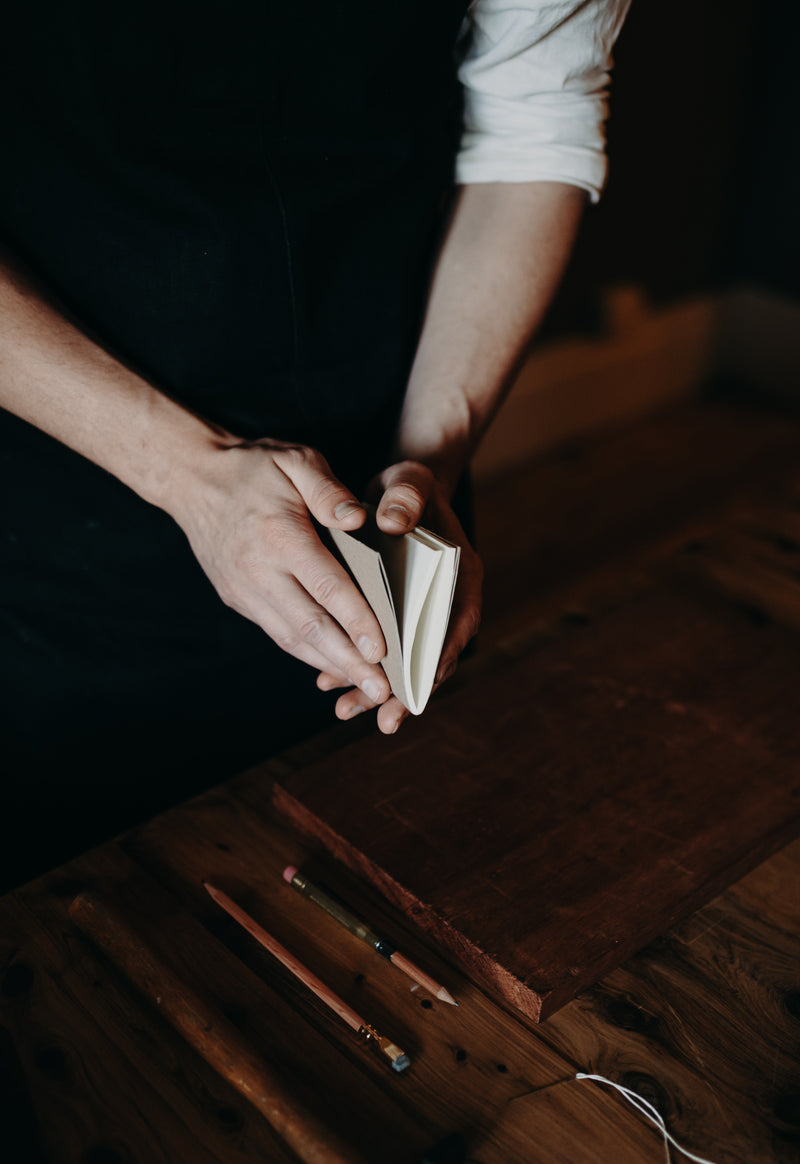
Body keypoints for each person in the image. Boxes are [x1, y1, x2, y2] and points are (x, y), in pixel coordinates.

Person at [0, 0, 631, 888]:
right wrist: (188, 474)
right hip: (64, 484)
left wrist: (434, 453)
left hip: (389, 443)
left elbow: (534, 131)